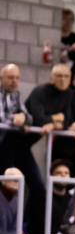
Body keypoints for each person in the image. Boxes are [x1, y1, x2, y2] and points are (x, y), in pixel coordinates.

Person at [28, 62, 75, 173]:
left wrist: (53, 124)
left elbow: (66, 122)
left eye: (66, 76)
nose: (63, 79)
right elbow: (39, 120)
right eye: (59, 76)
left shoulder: (69, 94)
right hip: (21, 138)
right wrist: (56, 118)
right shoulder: (40, 91)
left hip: (74, 149)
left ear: (69, 79)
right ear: (51, 78)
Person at [0, 64, 43, 222]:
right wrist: (15, 120)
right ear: (1, 78)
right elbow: (2, 117)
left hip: (16, 144)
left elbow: (28, 117)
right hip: (2, 146)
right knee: (4, 184)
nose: (14, 81)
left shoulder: (16, 94)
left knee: (38, 187)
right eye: (10, 77)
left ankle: (26, 225)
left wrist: (23, 119)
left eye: (17, 78)